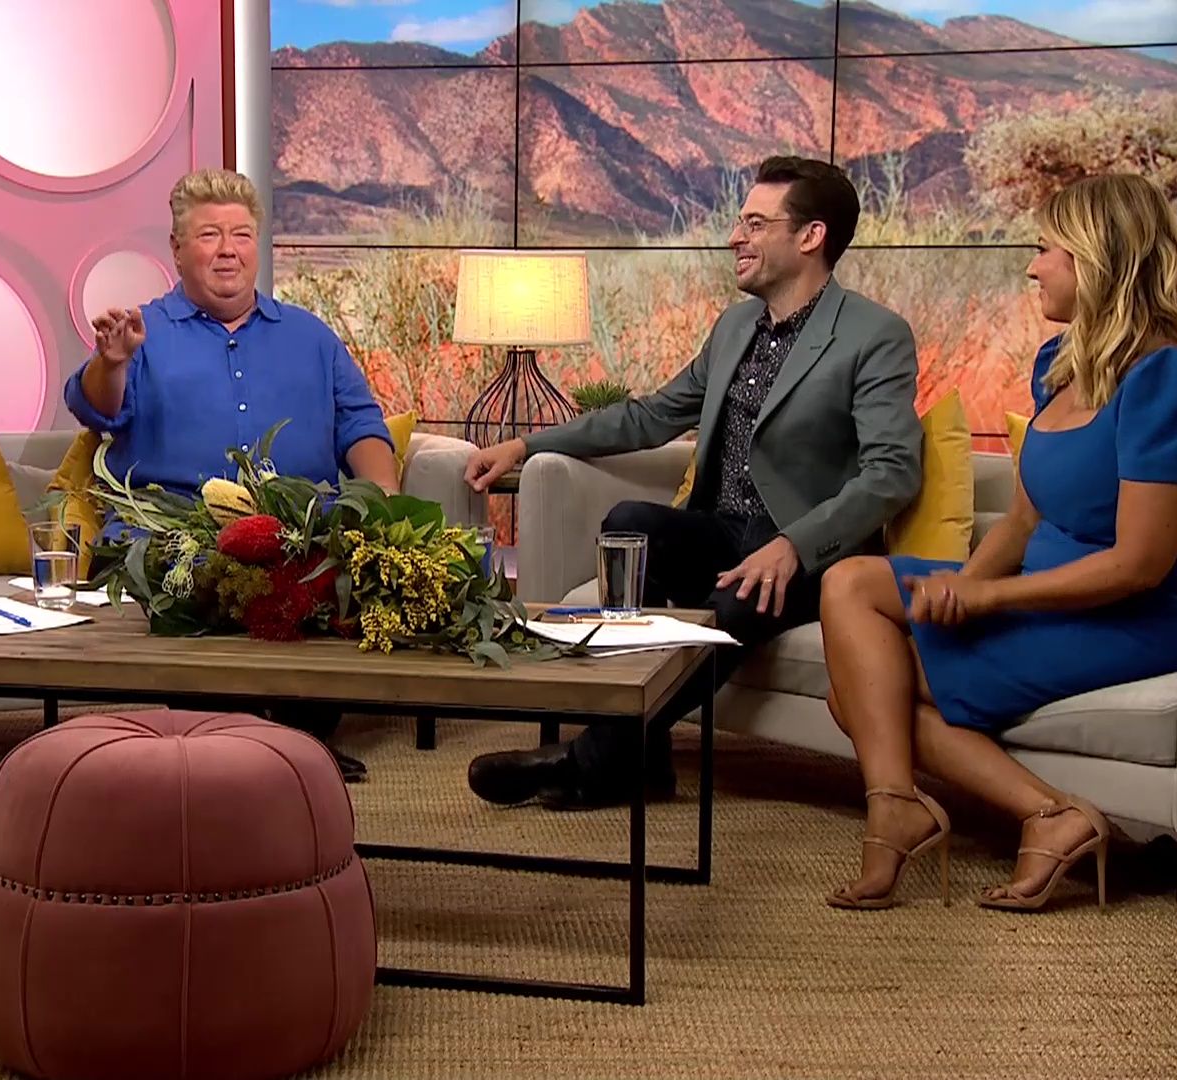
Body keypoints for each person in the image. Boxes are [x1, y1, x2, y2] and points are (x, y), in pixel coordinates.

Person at [461, 155, 924, 810]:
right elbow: (651, 415)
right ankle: (643, 763)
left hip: (808, 553)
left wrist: (793, 546)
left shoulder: (874, 336)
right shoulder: (734, 327)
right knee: (632, 525)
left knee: (732, 599)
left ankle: (592, 760)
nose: (736, 237)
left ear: (811, 236)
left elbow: (893, 471)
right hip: (725, 529)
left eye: (756, 223)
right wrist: (526, 444)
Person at [819, 173, 1177, 912]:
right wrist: (969, 586)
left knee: (859, 692)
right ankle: (909, 806)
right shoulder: (1058, 364)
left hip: (1126, 617)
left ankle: (1041, 815)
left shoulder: (1171, 381)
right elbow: (1023, 522)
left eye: (1046, 249)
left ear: (1098, 258)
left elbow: (1140, 564)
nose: (1032, 267)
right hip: (1037, 592)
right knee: (850, 582)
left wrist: (989, 598)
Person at [64, 168, 398, 782]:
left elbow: (361, 426)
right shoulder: (141, 333)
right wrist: (110, 363)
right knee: (205, 581)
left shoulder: (311, 336)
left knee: (320, 571)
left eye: (241, 235)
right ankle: (269, 745)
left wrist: (384, 511)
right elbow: (95, 408)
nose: (227, 250)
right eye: (209, 235)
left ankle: (271, 738)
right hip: (171, 535)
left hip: (297, 530)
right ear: (177, 249)